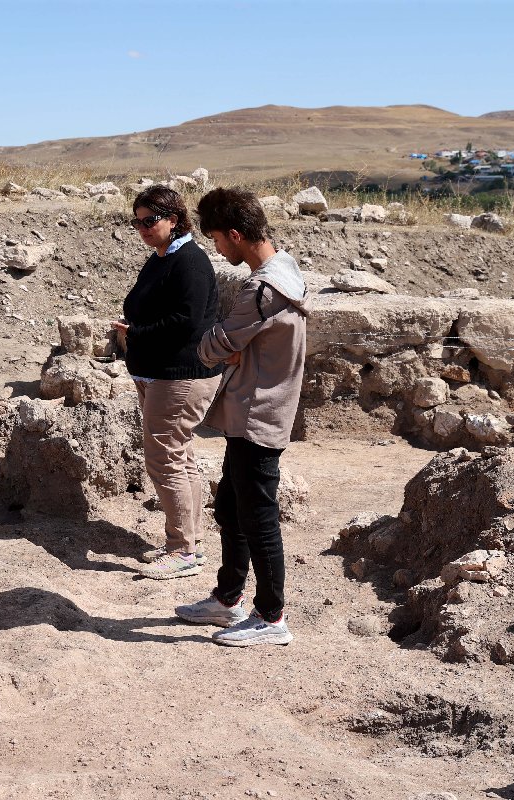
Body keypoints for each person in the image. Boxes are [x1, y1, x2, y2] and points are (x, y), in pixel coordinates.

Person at [175, 188, 309, 646]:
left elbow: (214, 346)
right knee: (231, 507)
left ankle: (271, 617)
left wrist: (223, 346)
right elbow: (235, 344)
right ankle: (228, 597)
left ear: (235, 234)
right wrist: (235, 347)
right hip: (252, 409)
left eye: (216, 238)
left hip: (259, 413)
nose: (216, 248)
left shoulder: (259, 289)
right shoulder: (284, 269)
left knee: (259, 517)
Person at [113, 185, 222, 580]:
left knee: (164, 458)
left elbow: (188, 322)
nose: (142, 228)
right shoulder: (162, 258)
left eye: (150, 221)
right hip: (158, 373)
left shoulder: (190, 261)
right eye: (137, 221)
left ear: (173, 220)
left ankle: (182, 551)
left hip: (180, 374)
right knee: (180, 456)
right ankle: (190, 541)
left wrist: (138, 332)